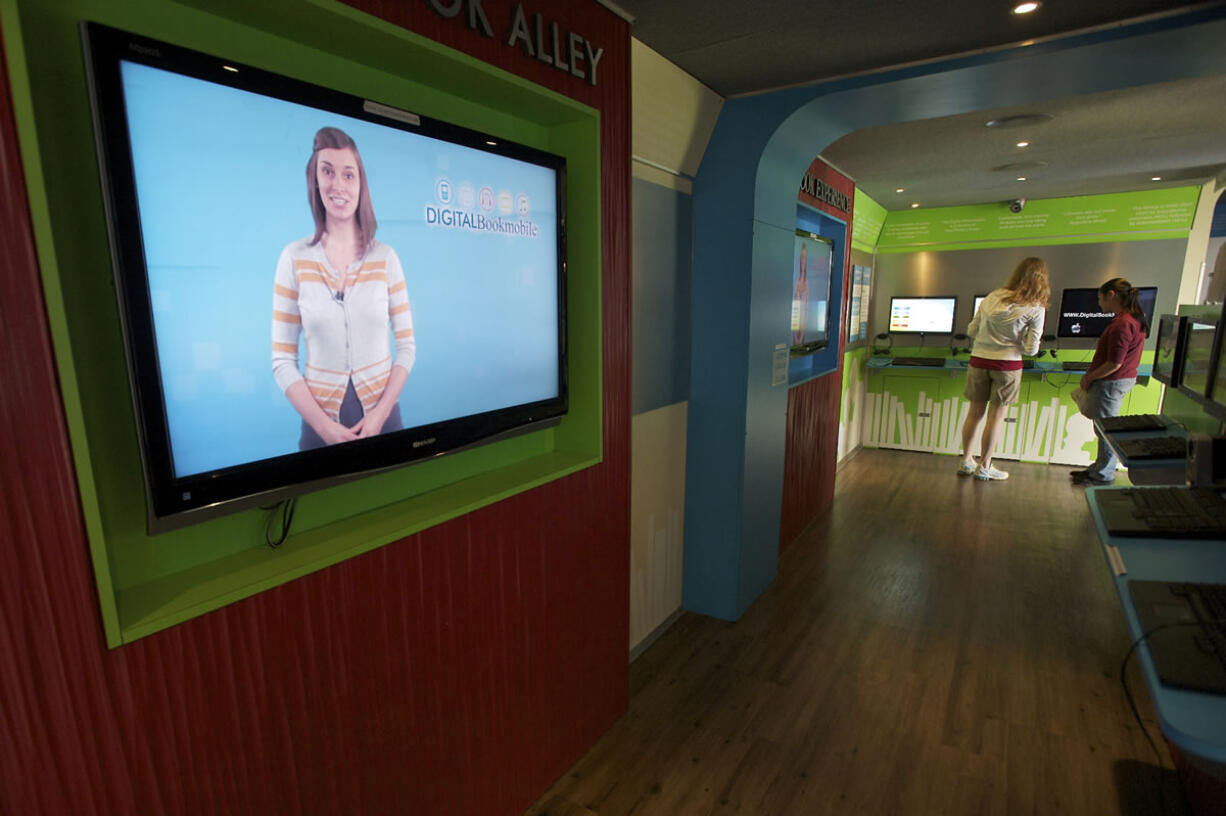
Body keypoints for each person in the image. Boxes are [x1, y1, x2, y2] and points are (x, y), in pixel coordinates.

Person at [272, 126, 416, 450]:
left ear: (361, 184)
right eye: (328, 172)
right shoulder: (293, 259)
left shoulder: (386, 259)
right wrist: (325, 429)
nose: (338, 185)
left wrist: (379, 416)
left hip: (386, 425)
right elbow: (282, 360)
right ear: (316, 179)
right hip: (318, 432)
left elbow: (407, 348)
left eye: (348, 175)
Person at [957, 257, 1050, 481]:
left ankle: (966, 461)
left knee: (974, 414)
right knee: (996, 418)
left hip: (978, 360)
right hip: (1007, 365)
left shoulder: (992, 296)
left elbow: (971, 330)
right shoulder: (1036, 307)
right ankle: (985, 466)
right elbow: (1030, 350)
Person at [1070, 278, 1149, 485]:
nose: (1099, 303)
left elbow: (1114, 363)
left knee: (1105, 430)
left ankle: (1103, 474)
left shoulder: (1123, 324)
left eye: (1100, 298)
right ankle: (1099, 468)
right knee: (1103, 428)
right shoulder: (1132, 319)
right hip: (1116, 381)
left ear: (1111, 295)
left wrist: (1089, 377)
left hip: (1111, 382)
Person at [792, 243, 809, 346]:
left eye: (805, 258)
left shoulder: (807, 283)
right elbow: (795, 309)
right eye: (802, 258)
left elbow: (806, 309)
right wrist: (795, 337)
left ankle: (800, 340)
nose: (803, 261)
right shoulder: (796, 281)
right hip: (796, 316)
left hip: (803, 317)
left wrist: (801, 337)